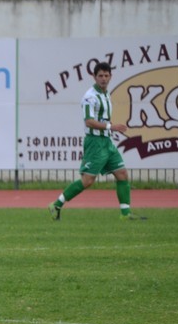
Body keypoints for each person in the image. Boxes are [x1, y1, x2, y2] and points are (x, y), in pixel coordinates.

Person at [49, 61, 145, 221]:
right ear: (94, 77)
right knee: (88, 181)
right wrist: (111, 126)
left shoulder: (106, 94)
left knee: (122, 173)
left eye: (106, 75)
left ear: (110, 76)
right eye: (100, 75)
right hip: (95, 142)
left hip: (106, 141)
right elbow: (89, 121)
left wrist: (109, 128)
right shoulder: (90, 97)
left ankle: (125, 214)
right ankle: (56, 205)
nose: (103, 79)